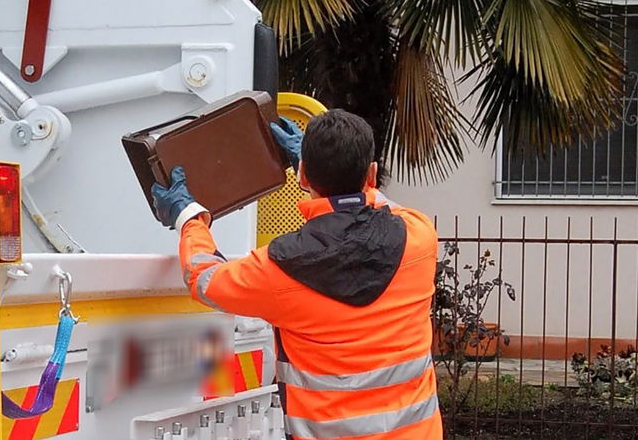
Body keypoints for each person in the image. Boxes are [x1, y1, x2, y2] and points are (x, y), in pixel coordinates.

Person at [152, 109, 442, 440]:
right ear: (372, 174)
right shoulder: (419, 238)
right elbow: (384, 207)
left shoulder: (278, 269)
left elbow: (205, 279)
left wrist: (188, 214)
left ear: (302, 177)